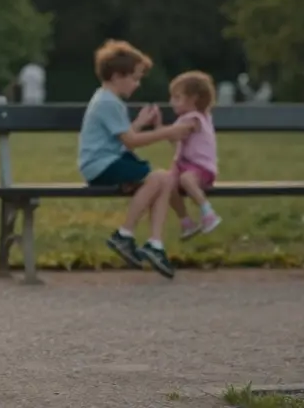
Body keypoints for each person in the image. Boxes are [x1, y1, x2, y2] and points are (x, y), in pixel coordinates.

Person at [77, 39, 196, 279]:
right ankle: (124, 234)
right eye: (134, 78)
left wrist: (140, 123)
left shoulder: (108, 99)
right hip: (101, 165)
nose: (137, 84)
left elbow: (120, 136)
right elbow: (130, 142)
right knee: (160, 178)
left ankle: (155, 243)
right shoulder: (108, 102)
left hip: (108, 161)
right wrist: (167, 133)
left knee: (164, 179)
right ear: (117, 76)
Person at [163, 71, 223, 240]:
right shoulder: (185, 118)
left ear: (193, 99)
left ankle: (208, 213)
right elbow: (172, 137)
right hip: (183, 166)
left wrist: (159, 128)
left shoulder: (194, 118)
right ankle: (186, 222)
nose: (171, 102)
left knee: (186, 180)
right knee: (166, 183)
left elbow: (174, 135)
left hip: (201, 168)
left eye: (177, 97)